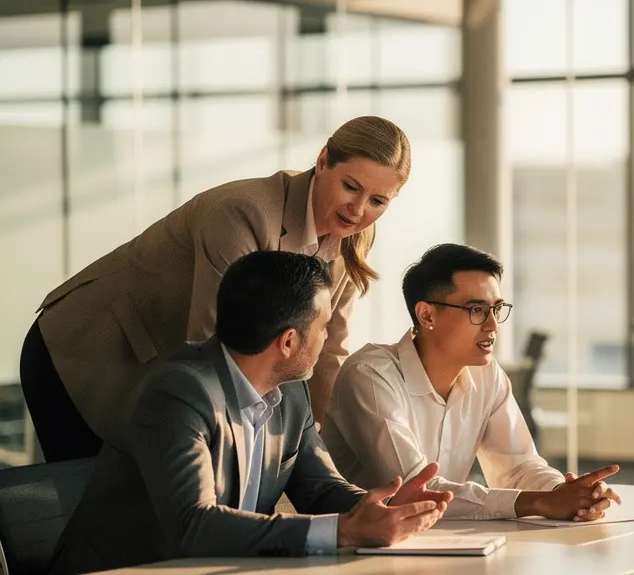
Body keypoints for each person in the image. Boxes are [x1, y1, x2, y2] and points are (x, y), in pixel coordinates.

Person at [20, 115, 410, 462]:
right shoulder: (245, 211)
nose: (359, 210)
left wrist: (320, 450)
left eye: (378, 200)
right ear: (323, 161)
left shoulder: (353, 235)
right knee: (91, 515)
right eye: (350, 187)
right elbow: (214, 340)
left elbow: (328, 350)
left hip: (168, 369)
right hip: (88, 352)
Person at [48, 251, 453, 575]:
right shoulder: (179, 391)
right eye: (324, 326)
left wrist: (379, 506)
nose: (329, 336)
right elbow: (194, 525)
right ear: (289, 341)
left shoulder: (291, 390)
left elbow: (320, 488)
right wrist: (345, 531)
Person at [322, 243, 622, 521]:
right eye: (476, 310)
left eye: (496, 309)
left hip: (444, 543)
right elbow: (414, 491)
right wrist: (539, 503)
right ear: (427, 314)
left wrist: (567, 494)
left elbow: (518, 466)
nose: (492, 325)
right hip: (354, 550)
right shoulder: (370, 376)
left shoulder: (486, 374)